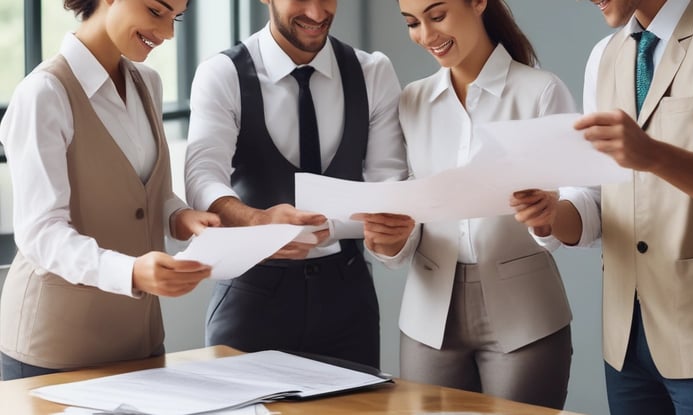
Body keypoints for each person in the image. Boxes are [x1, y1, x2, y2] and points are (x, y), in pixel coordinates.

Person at [512, 0, 693, 413]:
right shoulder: (604, 56)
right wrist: (551, 216)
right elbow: (596, 199)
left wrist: (654, 155)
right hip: (626, 338)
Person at [355, 0, 574, 408]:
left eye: (437, 16)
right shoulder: (411, 101)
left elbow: (574, 209)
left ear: (478, 3)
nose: (426, 35)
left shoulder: (541, 91)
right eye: (412, 23)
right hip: (427, 318)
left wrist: (547, 217)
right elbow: (409, 212)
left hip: (525, 316)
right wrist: (392, 241)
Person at [0, 0, 220, 380]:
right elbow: (40, 234)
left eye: (176, 18)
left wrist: (179, 215)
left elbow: (146, 188)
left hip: (140, 340)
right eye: (156, 11)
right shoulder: (44, 94)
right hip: (56, 347)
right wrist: (132, 271)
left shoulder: (147, 82)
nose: (168, 33)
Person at [184, 0, 407, 369]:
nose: (317, 13)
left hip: (348, 299)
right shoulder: (222, 74)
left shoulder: (373, 73)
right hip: (251, 296)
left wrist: (370, 227)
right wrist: (258, 221)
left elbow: (387, 185)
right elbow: (202, 177)